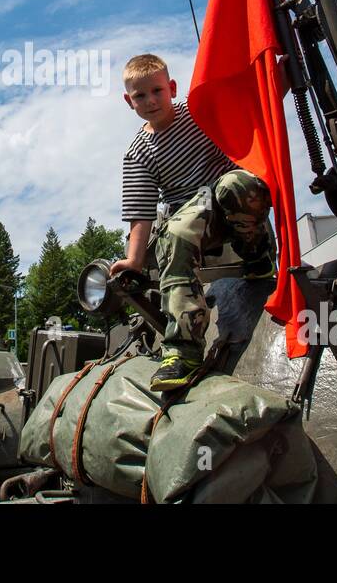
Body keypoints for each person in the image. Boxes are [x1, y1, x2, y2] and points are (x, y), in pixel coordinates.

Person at [112, 54, 276, 392]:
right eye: (140, 96)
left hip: (233, 195)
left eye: (157, 90)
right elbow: (141, 212)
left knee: (235, 184)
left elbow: (249, 100)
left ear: (171, 88)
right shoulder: (139, 153)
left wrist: (277, 74)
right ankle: (183, 348)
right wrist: (134, 260)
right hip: (192, 211)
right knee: (173, 230)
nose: (151, 100)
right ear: (129, 102)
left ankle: (257, 254)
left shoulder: (197, 111)